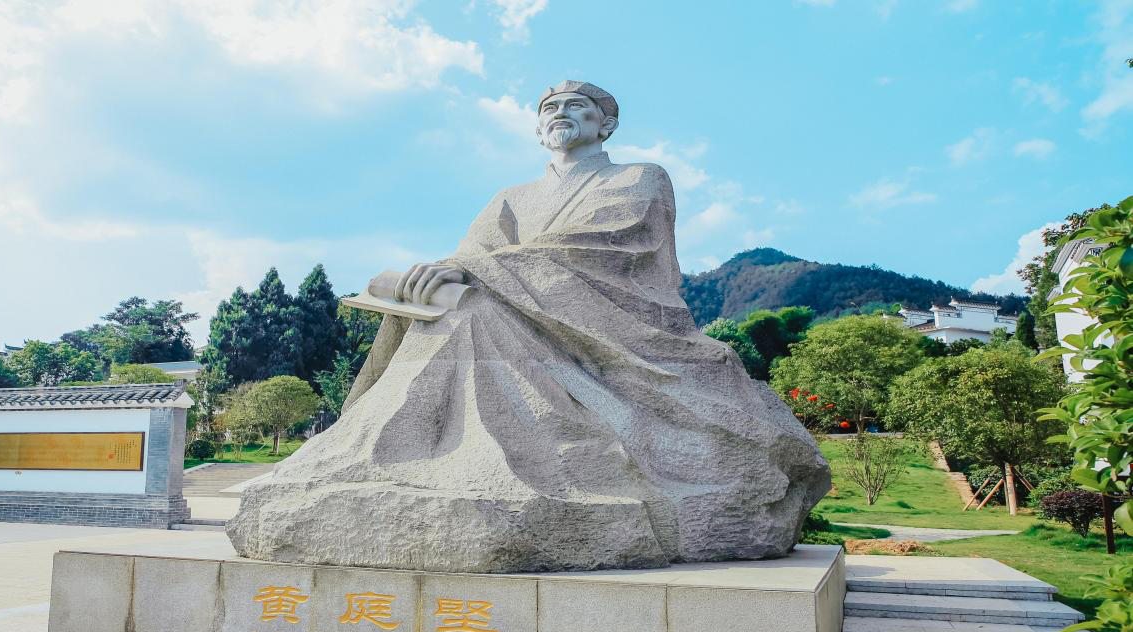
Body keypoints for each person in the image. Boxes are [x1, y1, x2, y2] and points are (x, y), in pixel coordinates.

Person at [228, 81, 830, 573]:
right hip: (503, 306)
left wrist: (469, 269)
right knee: (459, 306)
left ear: (605, 124)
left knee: (472, 308)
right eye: (549, 109)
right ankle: (407, 450)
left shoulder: (640, 177)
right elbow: (470, 259)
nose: (561, 115)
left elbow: (611, 248)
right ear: (537, 128)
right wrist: (438, 276)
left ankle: (462, 453)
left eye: (577, 107)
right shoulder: (510, 196)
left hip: (609, 319)